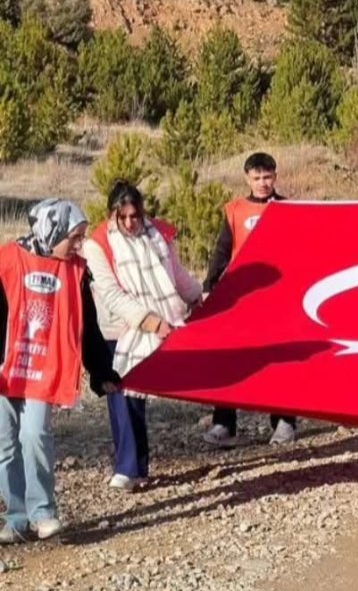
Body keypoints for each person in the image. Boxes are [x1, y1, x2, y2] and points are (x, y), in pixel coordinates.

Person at [1, 199, 121, 543]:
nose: (80, 244)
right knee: (5, 443)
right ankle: (16, 517)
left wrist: (101, 371)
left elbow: (86, 326)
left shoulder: (75, 271)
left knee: (34, 435)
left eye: (82, 237)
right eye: (75, 237)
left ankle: (42, 512)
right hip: (6, 369)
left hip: (43, 368)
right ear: (50, 231)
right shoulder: (6, 260)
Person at [82, 182, 203, 492]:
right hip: (120, 327)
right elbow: (111, 292)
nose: (128, 223)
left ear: (142, 212)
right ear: (112, 215)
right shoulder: (98, 244)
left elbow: (175, 274)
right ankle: (129, 467)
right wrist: (149, 321)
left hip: (165, 316)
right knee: (123, 391)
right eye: (121, 217)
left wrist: (196, 298)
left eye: (134, 216)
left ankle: (140, 464)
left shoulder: (158, 235)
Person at [203, 152, 297, 447]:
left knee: (279, 361)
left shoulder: (290, 209)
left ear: (275, 177)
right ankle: (224, 423)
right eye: (256, 178)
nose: (262, 183)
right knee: (231, 359)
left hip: (278, 298)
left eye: (267, 177)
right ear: (247, 178)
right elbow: (222, 250)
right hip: (240, 295)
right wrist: (209, 285)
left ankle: (284, 421)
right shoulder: (235, 209)